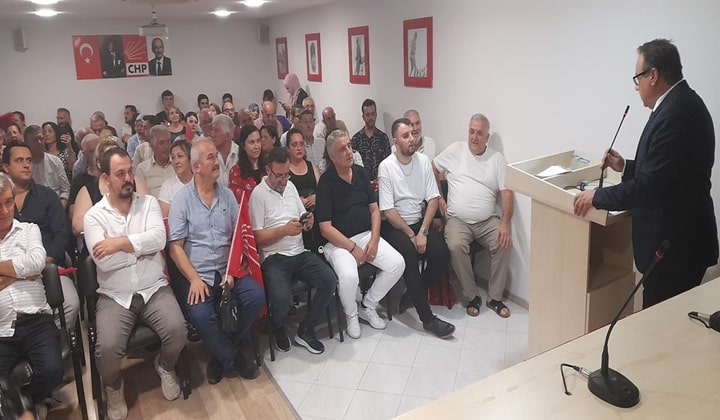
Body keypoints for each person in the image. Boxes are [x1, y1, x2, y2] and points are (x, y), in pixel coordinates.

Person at [573, 39, 718, 308]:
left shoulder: (676, 114)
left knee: (661, 326)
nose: (636, 86)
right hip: (680, 244)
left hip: (676, 251)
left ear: (653, 75)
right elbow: (669, 174)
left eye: (637, 78)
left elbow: (649, 187)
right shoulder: (680, 103)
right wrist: (625, 167)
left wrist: (597, 196)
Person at [84, 148, 187, 419]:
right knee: (106, 350)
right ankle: (114, 386)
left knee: (178, 331)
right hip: (115, 294)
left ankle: (165, 366)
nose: (128, 178)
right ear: (106, 179)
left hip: (153, 287)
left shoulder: (149, 204)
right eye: (120, 174)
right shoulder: (94, 216)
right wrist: (141, 248)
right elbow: (105, 262)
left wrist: (119, 243)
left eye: (130, 171)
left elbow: (159, 240)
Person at [168, 139, 265, 384]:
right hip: (198, 274)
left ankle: (221, 350)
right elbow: (175, 248)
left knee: (255, 296)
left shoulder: (228, 196)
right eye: (210, 158)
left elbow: (237, 238)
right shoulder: (182, 200)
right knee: (200, 315)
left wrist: (233, 271)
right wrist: (193, 279)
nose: (216, 162)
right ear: (196, 167)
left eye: (216, 157)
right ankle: (232, 357)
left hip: (227, 270)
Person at [316, 130, 404, 339]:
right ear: (332, 156)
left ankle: (368, 305)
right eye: (342, 149)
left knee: (397, 264)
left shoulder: (361, 173)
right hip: (337, 243)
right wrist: (353, 248)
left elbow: (374, 210)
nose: (349, 152)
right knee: (349, 276)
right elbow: (325, 228)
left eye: (349, 146)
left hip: (365, 235)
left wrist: (374, 239)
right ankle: (351, 315)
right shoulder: (326, 183)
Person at [249, 147, 335, 354]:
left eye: (286, 174)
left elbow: (302, 215)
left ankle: (306, 330)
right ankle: (277, 326)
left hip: (299, 251)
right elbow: (256, 237)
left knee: (329, 280)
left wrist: (308, 221)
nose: (283, 180)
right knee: (281, 296)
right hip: (274, 256)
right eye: (279, 175)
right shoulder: (258, 194)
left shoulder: (291, 187)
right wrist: (283, 231)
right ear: (268, 170)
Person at [378, 118, 455, 338]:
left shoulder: (422, 161)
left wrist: (422, 232)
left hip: (418, 223)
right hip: (395, 227)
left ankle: (413, 293)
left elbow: (432, 200)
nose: (412, 139)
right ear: (395, 142)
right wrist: (411, 234)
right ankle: (428, 319)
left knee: (442, 253)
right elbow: (388, 211)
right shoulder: (386, 167)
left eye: (413, 134)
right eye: (406, 136)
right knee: (410, 255)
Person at [433, 114, 514, 318]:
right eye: (471, 131)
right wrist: (438, 196)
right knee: (455, 246)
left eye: (479, 133)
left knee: (504, 243)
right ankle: (472, 296)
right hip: (457, 220)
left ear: (487, 137)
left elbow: (507, 193)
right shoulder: (455, 150)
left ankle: (494, 298)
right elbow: (432, 168)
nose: (474, 137)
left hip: (487, 221)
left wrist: (505, 223)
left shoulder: (497, 159)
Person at [0, 172, 62, 416]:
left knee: (52, 370)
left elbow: (37, 262)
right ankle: (14, 404)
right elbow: (28, 267)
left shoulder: (28, 230)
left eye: (8, 202)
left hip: (36, 318)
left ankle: (25, 400)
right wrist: (21, 271)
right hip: (1, 327)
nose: (5, 210)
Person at [3, 142, 81, 331]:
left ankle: (50, 339)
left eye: (29, 160)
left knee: (70, 304)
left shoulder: (47, 196)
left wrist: (44, 262)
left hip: (48, 267)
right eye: (19, 161)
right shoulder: (2, 203)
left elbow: (61, 234)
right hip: (7, 271)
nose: (26, 165)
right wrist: (18, 270)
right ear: (6, 167)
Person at [24, 125, 70, 209]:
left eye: (41, 138)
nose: (39, 142)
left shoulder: (55, 161)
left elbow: (66, 190)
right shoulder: (25, 166)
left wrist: (59, 209)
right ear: (27, 144)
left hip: (57, 206)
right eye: (35, 140)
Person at [351, 98, 391, 182]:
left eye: (373, 114)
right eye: (367, 115)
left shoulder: (383, 138)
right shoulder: (356, 139)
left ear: (376, 115)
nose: (371, 118)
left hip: (381, 182)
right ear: (363, 117)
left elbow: (389, 163)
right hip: (361, 184)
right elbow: (352, 165)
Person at [228, 125, 264, 216]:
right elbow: (241, 206)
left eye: (258, 141)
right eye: (252, 142)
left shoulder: (269, 167)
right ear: (243, 146)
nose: (256, 146)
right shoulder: (236, 173)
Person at [134, 125, 174, 198]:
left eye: (168, 142)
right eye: (161, 143)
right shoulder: (142, 169)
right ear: (151, 145)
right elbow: (140, 197)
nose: (166, 146)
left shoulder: (178, 165)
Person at [159, 140, 193, 218]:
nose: (176, 162)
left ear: (190, 159)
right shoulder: (168, 185)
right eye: (173, 157)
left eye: (180, 156)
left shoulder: (201, 182)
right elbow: (165, 219)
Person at [211, 115, 240, 187]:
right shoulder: (209, 155)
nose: (212, 134)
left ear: (226, 136)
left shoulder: (240, 154)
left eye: (216, 131)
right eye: (212, 130)